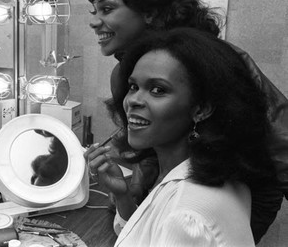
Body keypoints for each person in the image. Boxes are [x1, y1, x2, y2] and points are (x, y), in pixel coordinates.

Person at [86, 0, 287, 242]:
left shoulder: (220, 65)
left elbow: (283, 146)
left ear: (150, 11)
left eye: (107, 9)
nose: (94, 22)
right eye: (134, 87)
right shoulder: (122, 73)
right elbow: (150, 152)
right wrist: (130, 197)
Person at [85, 28, 279, 246]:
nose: (133, 100)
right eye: (133, 86)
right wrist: (122, 196)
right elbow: (146, 236)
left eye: (158, 90)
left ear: (201, 109)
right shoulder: (206, 174)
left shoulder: (186, 217)